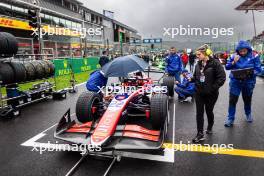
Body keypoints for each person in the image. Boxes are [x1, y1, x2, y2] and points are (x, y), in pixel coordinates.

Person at [192, 44, 226, 143]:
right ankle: (200, 133)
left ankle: (210, 126)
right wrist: (190, 79)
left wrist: (212, 88)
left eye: (199, 54)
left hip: (211, 94)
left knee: (209, 111)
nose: (197, 56)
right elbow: (196, 77)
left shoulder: (215, 63)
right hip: (199, 92)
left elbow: (222, 78)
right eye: (197, 54)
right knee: (199, 113)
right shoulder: (198, 64)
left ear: (205, 53)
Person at [224, 40, 261, 127]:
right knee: (232, 100)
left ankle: (248, 114)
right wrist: (234, 62)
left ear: (248, 49)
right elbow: (227, 67)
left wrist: (251, 72)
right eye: (240, 51)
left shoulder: (254, 56)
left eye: (244, 51)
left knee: (247, 99)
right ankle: (230, 118)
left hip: (248, 82)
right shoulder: (234, 56)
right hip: (235, 82)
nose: (242, 53)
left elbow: (259, 69)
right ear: (238, 50)